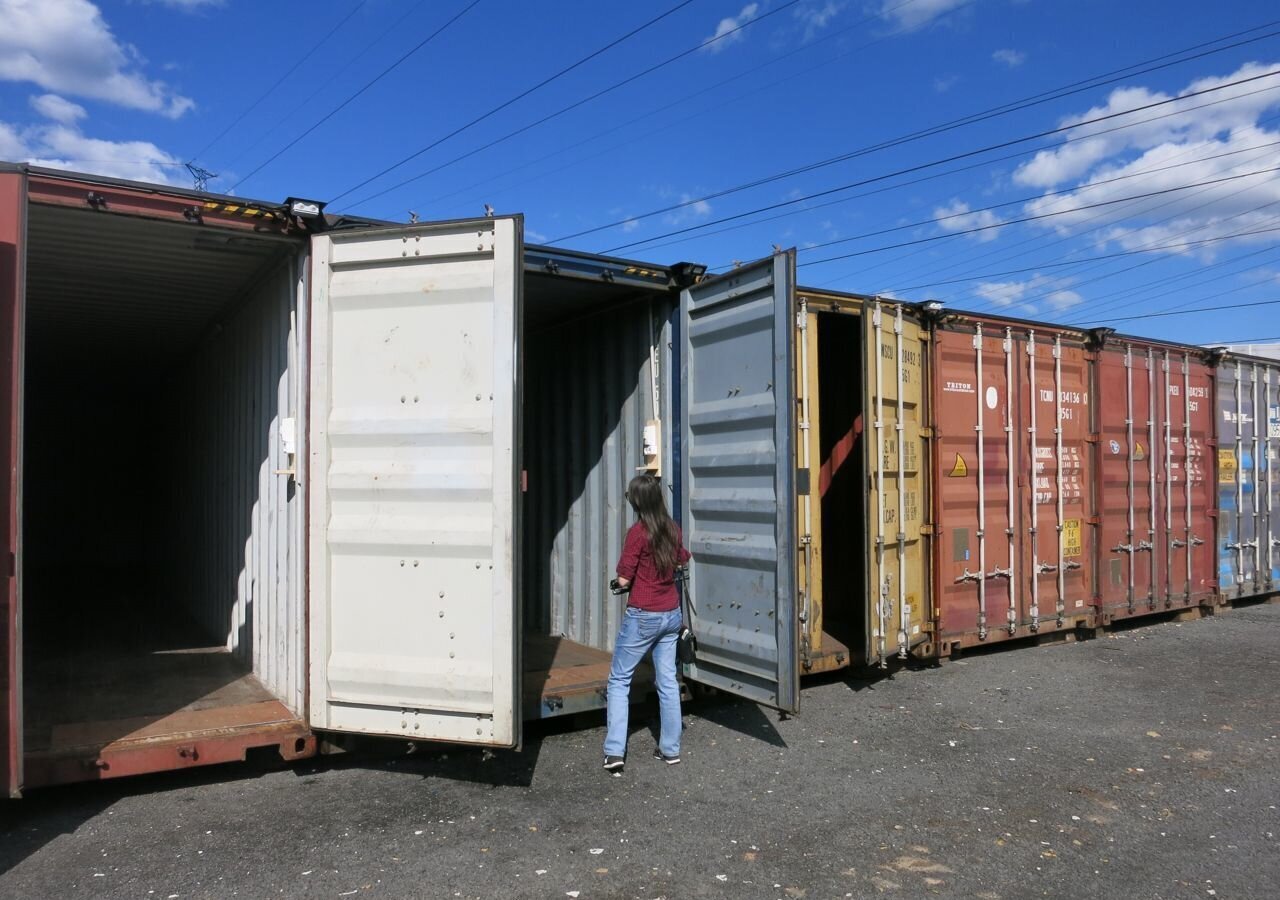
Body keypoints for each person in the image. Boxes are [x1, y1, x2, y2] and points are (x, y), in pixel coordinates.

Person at [603, 473, 691, 776]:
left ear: (636, 501)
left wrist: (619, 584)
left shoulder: (638, 533)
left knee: (619, 680)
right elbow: (682, 559)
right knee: (667, 681)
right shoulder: (672, 528)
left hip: (643, 614)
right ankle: (671, 750)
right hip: (670, 613)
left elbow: (625, 577)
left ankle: (615, 751)